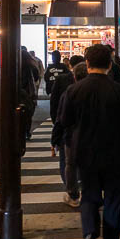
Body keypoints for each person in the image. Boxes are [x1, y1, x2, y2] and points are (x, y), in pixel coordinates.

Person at [62, 44, 120, 239]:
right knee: (113, 201)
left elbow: (65, 123)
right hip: (115, 155)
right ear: (110, 64)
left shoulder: (74, 91)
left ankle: (89, 236)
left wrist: (69, 148)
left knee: (89, 197)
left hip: (85, 155)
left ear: (87, 64)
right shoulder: (119, 91)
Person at [50, 55, 85, 207]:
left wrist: (55, 137)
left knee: (68, 163)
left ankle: (73, 193)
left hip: (70, 132)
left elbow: (58, 114)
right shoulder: (101, 88)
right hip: (91, 134)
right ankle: (87, 191)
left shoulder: (68, 90)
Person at [20, 48, 39, 142]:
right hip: (28, 94)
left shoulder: (14, 66)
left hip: (17, 93)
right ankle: (27, 131)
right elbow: (36, 77)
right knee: (28, 114)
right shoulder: (31, 66)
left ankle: (20, 131)